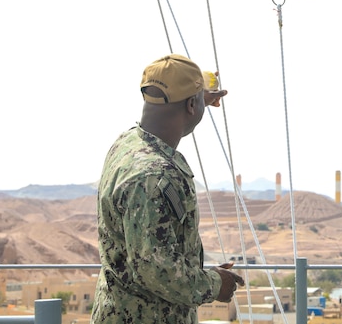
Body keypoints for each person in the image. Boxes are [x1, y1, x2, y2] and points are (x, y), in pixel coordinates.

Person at [92, 53, 244, 324]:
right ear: (189, 105)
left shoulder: (126, 145)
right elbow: (155, 268)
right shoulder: (154, 176)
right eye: (198, 99)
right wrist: (214, 284)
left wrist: (198, 99)